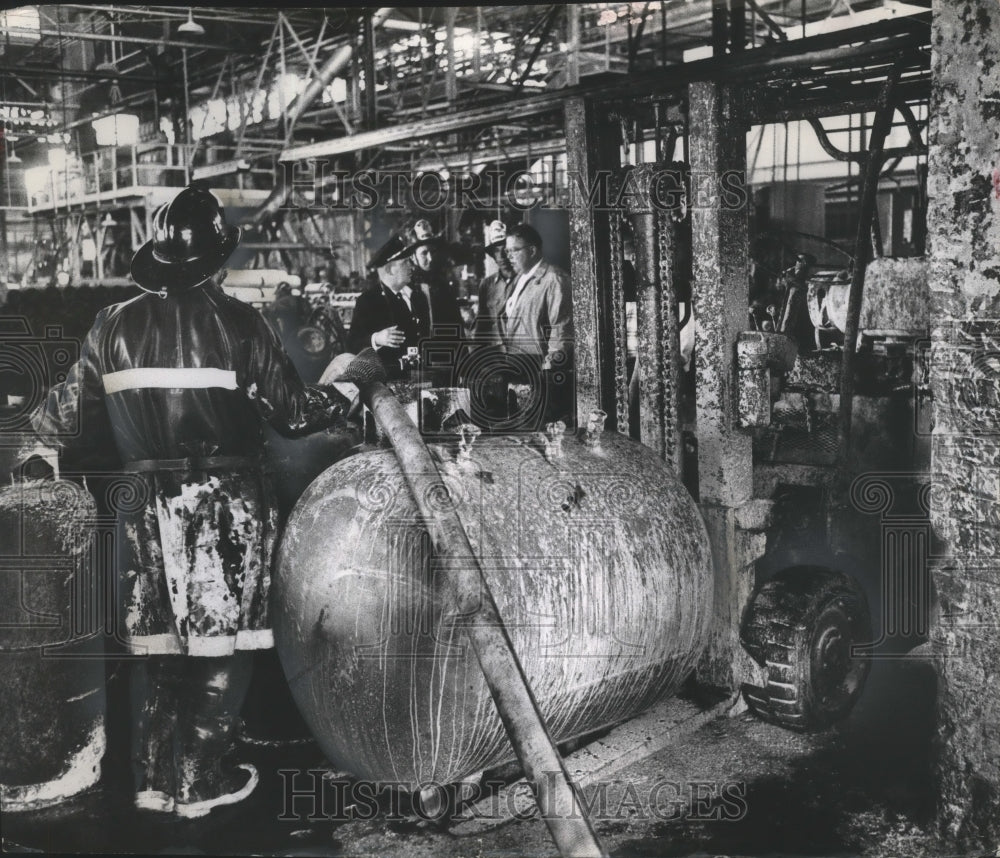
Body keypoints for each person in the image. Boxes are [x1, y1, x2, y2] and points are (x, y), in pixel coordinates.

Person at [30, 185, 355, 819]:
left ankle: (153, 781)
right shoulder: (240, 321)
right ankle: (199, 781)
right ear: (218, 258)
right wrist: (347, 382)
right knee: (219, 643)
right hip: (222, 506)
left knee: (154, 643)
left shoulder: (111, 324)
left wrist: (27, 450)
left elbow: (57, 419)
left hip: (142, 506)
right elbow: (292, 415)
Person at [500, 223, 574, 427]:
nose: (509, 256)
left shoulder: (554, 278)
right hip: (517, 367)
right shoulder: (519, 279)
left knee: (539, 429)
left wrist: (549, 369)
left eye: (514, 250)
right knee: (520, 430)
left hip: (540, 369)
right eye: (507, 251)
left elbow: (562, 328)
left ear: (532, 250)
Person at [346, 233, 429, 379]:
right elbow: (352, 344)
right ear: (390, 270)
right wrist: (376, 339)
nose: (412, 266)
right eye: (405, 263)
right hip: (387, 382)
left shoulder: (418, 297)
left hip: (420, 377)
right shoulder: (368, 301)